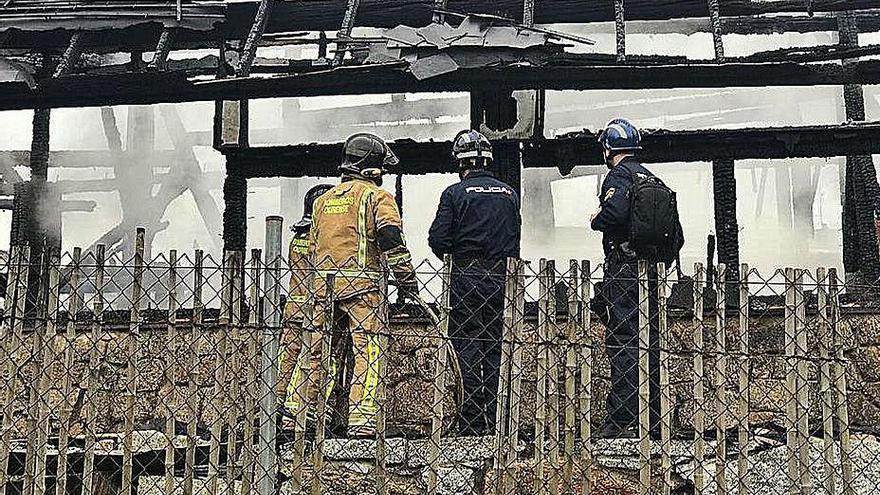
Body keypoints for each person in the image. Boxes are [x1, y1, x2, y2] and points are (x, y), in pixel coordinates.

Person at [310, 133, 418, 438]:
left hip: (323, 289)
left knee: (323, 352)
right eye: (381, 167)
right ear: (371, 166)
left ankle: (306, 416)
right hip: (363, 288)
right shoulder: (377, 197)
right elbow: (391, 241)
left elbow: (314, 247)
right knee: (368, 351)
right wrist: (407, 280)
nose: (383, 173)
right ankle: (363, 418)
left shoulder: (322, 201)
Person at [590, 118, 683, 438]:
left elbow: (614, 214)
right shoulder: (653, 177)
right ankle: (655, 418)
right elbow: (677, 236)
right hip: (653, 272)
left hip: (625, 272)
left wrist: (596, 219)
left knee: (623, 341)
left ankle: (622, 417)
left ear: (608, 149)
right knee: (652, 341)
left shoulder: (619, 175)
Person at [428, 130, 521, 436]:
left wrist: (456, 252)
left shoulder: (454, 194)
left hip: (466, 275)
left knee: (467, 345)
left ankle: (471, 418)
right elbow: (514, 238)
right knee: (496, 346)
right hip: (501, 276)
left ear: (460, 162)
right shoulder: (509, 193)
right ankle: (498, 418)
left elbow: (437, 238)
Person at [279, 183, 350, 435]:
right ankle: (301, 412)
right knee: (317, 360)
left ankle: (277, 406)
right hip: (316, 308)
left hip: (295, 307)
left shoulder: (297, 237)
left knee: (287, 359)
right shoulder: (320, 241)